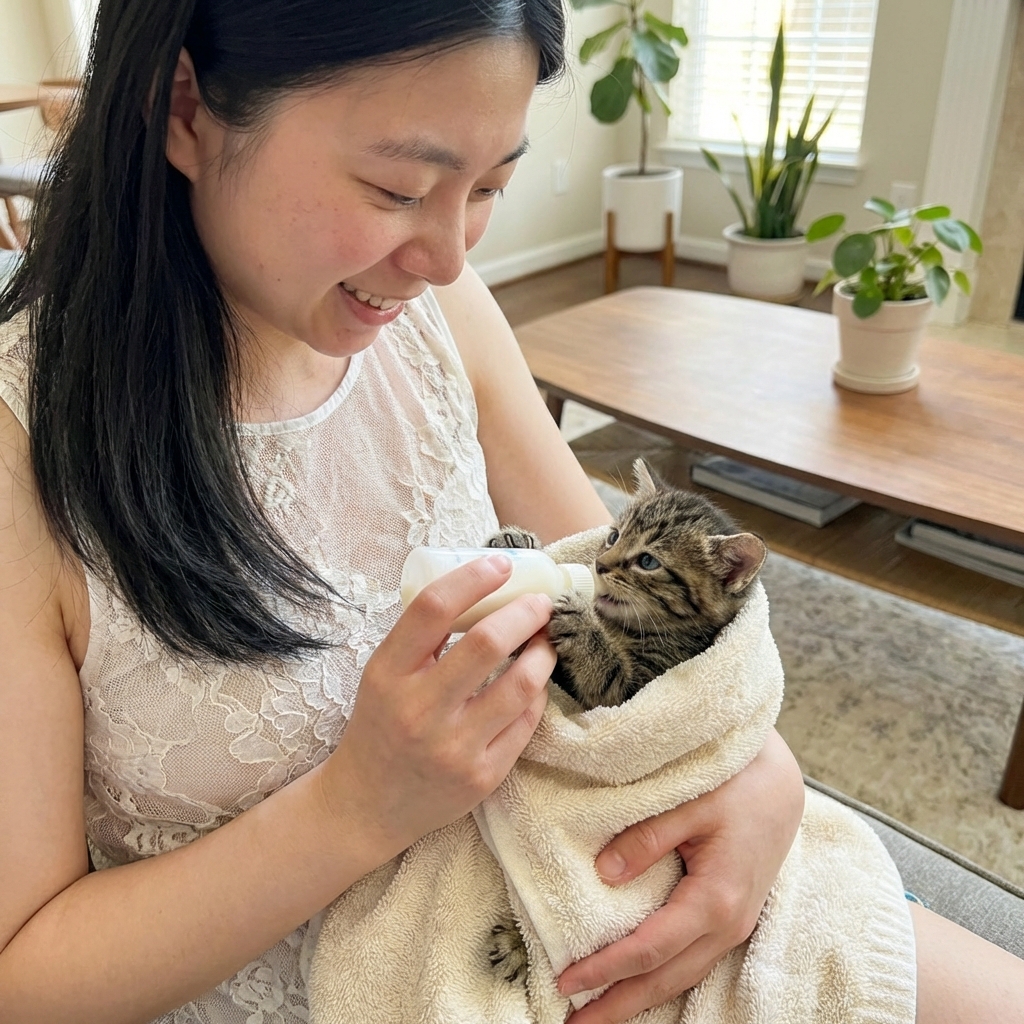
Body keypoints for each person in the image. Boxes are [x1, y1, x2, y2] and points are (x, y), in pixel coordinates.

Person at [0, 2, 1020, 1022]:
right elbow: (23, 974)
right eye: (396, 187)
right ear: (186, 109)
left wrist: (768, 781)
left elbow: (630, 612)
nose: (448, 257)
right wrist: (355, 809)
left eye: (490, 185)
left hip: (588, 901)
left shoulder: (438, 316)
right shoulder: (24, 461)